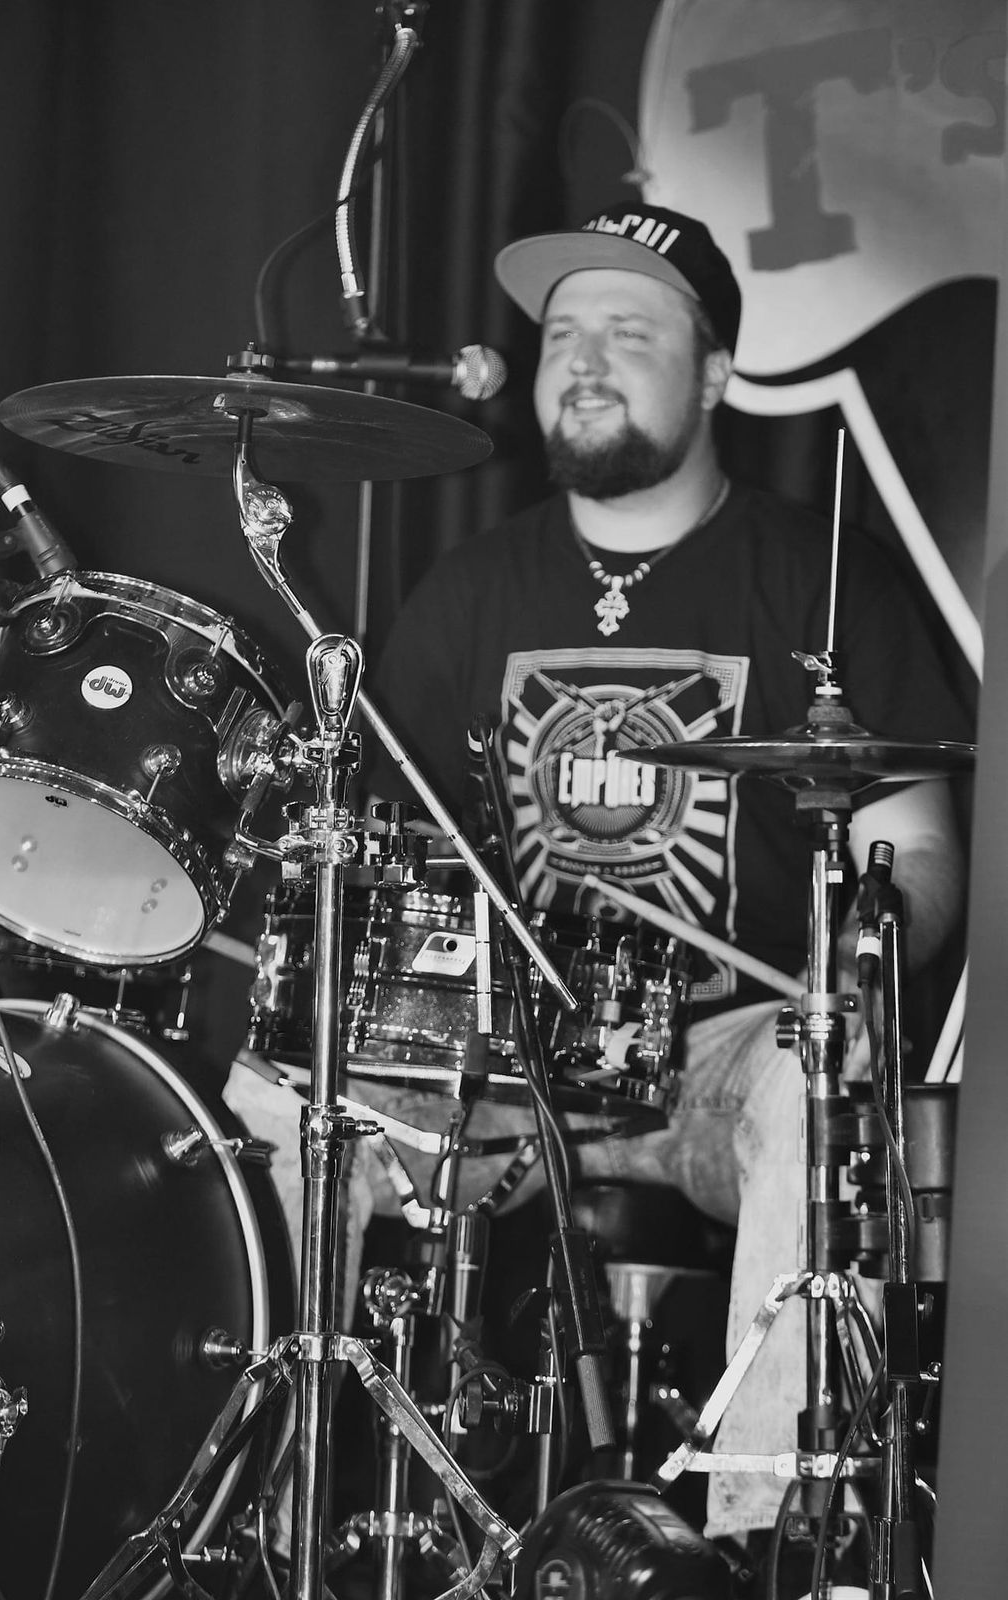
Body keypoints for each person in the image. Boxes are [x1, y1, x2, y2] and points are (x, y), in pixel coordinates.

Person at [226, 200, 969, 1577]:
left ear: (717, 372)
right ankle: (261, 1526)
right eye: (563, 331)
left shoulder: (817, 580)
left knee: (820, 1082)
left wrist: (852, 976)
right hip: (507, 1063)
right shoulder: (471, 589)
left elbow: (917, 849)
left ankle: (771, 1544)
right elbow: (393, 843)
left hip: (721, 1057)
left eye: (629, 330)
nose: (581, 357)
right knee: (279, 1098)